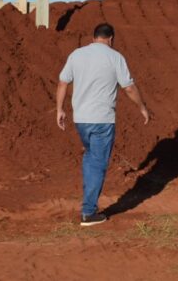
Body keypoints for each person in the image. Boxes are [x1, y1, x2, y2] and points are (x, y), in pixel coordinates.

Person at [56, 22, 151, 226]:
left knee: (91, 158)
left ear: (93, 38)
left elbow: (63, 82)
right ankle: (89, 212)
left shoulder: (77, 54)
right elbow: (129, 88)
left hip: (81, 119)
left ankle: (88, 202)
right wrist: (142, 107)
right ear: (111, 39)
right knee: (98, 164)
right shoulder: (115, 57)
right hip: (102, 121)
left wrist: (59, 109)